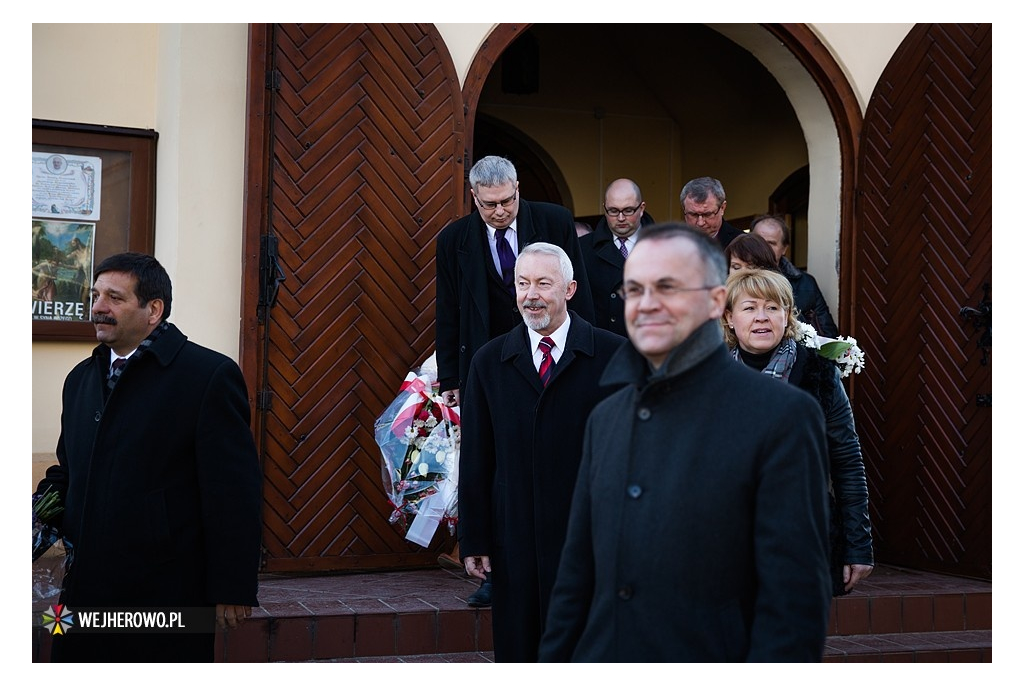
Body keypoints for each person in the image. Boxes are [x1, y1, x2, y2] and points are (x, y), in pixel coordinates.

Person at [538, 223, 831, 662]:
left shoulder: (781, 417)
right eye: (634, 290)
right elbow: (576, 578)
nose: (647, 304)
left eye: (668, 287)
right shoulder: (606, 419)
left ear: (716, 301)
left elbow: (794, 604)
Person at [35, 252, 262, 662]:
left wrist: (232, 585)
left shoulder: (208, 376)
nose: (99, 307)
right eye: (95, 295)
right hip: (81, 587)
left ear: (153, 309)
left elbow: (233, 491)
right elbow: (69, 469)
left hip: (166, 588)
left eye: (115, 298)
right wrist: (38, 513)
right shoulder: (80, 379)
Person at [435, 155, 595, 606]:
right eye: (488, 205)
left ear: (518, 189)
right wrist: (451, 374)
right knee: (491, 461)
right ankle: (493, 569)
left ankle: (565, 563)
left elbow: (577, 289)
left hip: (556, 357)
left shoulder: (554, 221)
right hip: (490, 366)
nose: (499, 211)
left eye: (506, 201)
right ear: (474, 198)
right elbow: (447, 309)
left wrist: (592, 353)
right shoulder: (453, 240)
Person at [459, 242, 625, 662]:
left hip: (587, 538)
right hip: (514, 536)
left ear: (569, 289)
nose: (530, 294)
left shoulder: (612, 356)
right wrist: (474, 537)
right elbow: (476, 458)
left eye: (543, 283)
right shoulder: (488, 362)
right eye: (522, 283)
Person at [723, 267, 873, 596]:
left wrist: (858, 545)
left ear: (788, 316)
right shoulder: (709, 377)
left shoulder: (818, 373)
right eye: (749, 308)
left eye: (773, 307)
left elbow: (846, 459)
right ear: (730, 318)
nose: (761, 317)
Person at [579, 178, 655, 337]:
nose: (620, 218)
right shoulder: (583, 249)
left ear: (641, 208)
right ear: (604, 209)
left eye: (628, 210)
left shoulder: (666, 247)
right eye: (613, 211)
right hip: (604, 348)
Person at [750, 213, 839, 337]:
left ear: (784, 249)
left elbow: (828, 335)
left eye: (771, 243)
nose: (763, 247)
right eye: (758, 241)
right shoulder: (733, 279)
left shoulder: (806, 283)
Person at [679, 176, 743, 249]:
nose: (700, 223)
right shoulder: (672, 245)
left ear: (722, 208)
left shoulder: (741, 244)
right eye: (693, 215)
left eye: (707, 214)